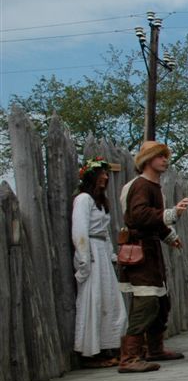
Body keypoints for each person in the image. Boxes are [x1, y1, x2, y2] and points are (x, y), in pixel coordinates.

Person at [118, 141, 188, 373]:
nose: (165, 160)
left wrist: (169, 236)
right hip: (139, 251)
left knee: (160, 302)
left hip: (150, 250)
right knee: (146, 301)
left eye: (165, 156)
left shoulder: (153, 186)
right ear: (147, 160)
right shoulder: (141, 185)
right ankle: (129, 358)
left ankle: (155, 349)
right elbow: (138, 216)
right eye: (160, 156)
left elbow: (153, 221)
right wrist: (171, 213)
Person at [71, 156, 127, 368]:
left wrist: (112, 255)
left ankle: (107, 346)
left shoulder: (100, 202)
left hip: (102, 253)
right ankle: (90, 353)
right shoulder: (83, 199)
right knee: (93, 300)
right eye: (101, 173)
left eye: (106, 173)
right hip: (92, 253)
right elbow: (80, 230)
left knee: (109, 301)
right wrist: (84, 260)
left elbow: (104, 232)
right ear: (91, 176)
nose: (105, 177)